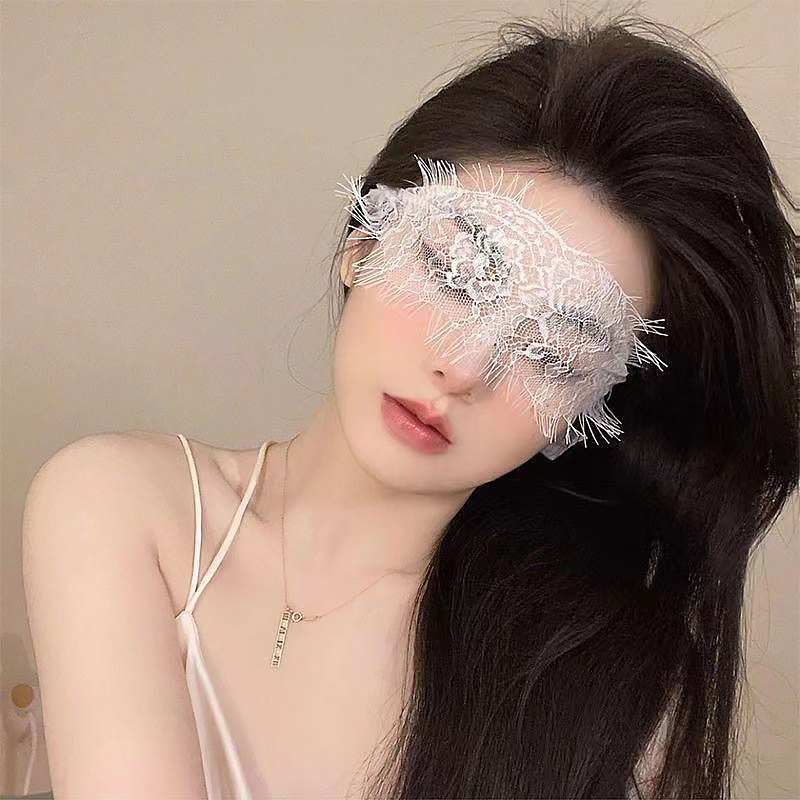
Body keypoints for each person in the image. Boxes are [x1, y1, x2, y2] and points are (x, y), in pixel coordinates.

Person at [21, 11, 798, 800]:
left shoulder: (606, 691)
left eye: (551, 351)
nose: (464, 369)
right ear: (364, 241)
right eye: (457, 273)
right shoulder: (120, 504)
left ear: (587, 411)